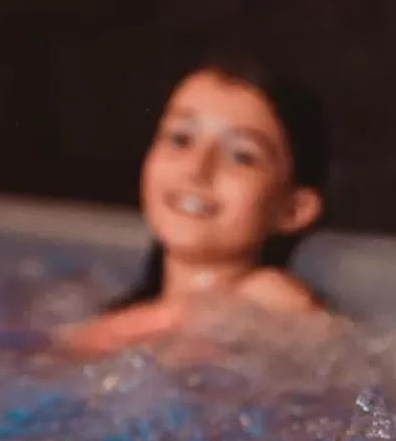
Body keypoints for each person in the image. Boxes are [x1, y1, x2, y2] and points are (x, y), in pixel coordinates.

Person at [55, 53, 329, 356]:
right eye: (180, 138)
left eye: (241, 156)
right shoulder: (121, 310)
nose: (196, 169)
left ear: (293, 209)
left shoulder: (273, 300)